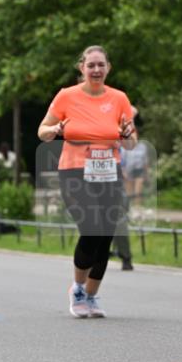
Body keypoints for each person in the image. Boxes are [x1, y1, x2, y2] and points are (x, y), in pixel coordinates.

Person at [38, 45, 137, 318]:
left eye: (100, 65)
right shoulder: (66, 96)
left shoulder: (119, 98)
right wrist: (54, 129)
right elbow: (42, 131)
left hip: (109, 173)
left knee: (106, 235)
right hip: (75, 172)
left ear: (108, 68)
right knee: (92, 227)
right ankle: (78, 289)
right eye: (91, 65)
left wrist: (126, 135)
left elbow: (131, 143)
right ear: (81, 67)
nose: (96, 69)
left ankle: (92, 297)